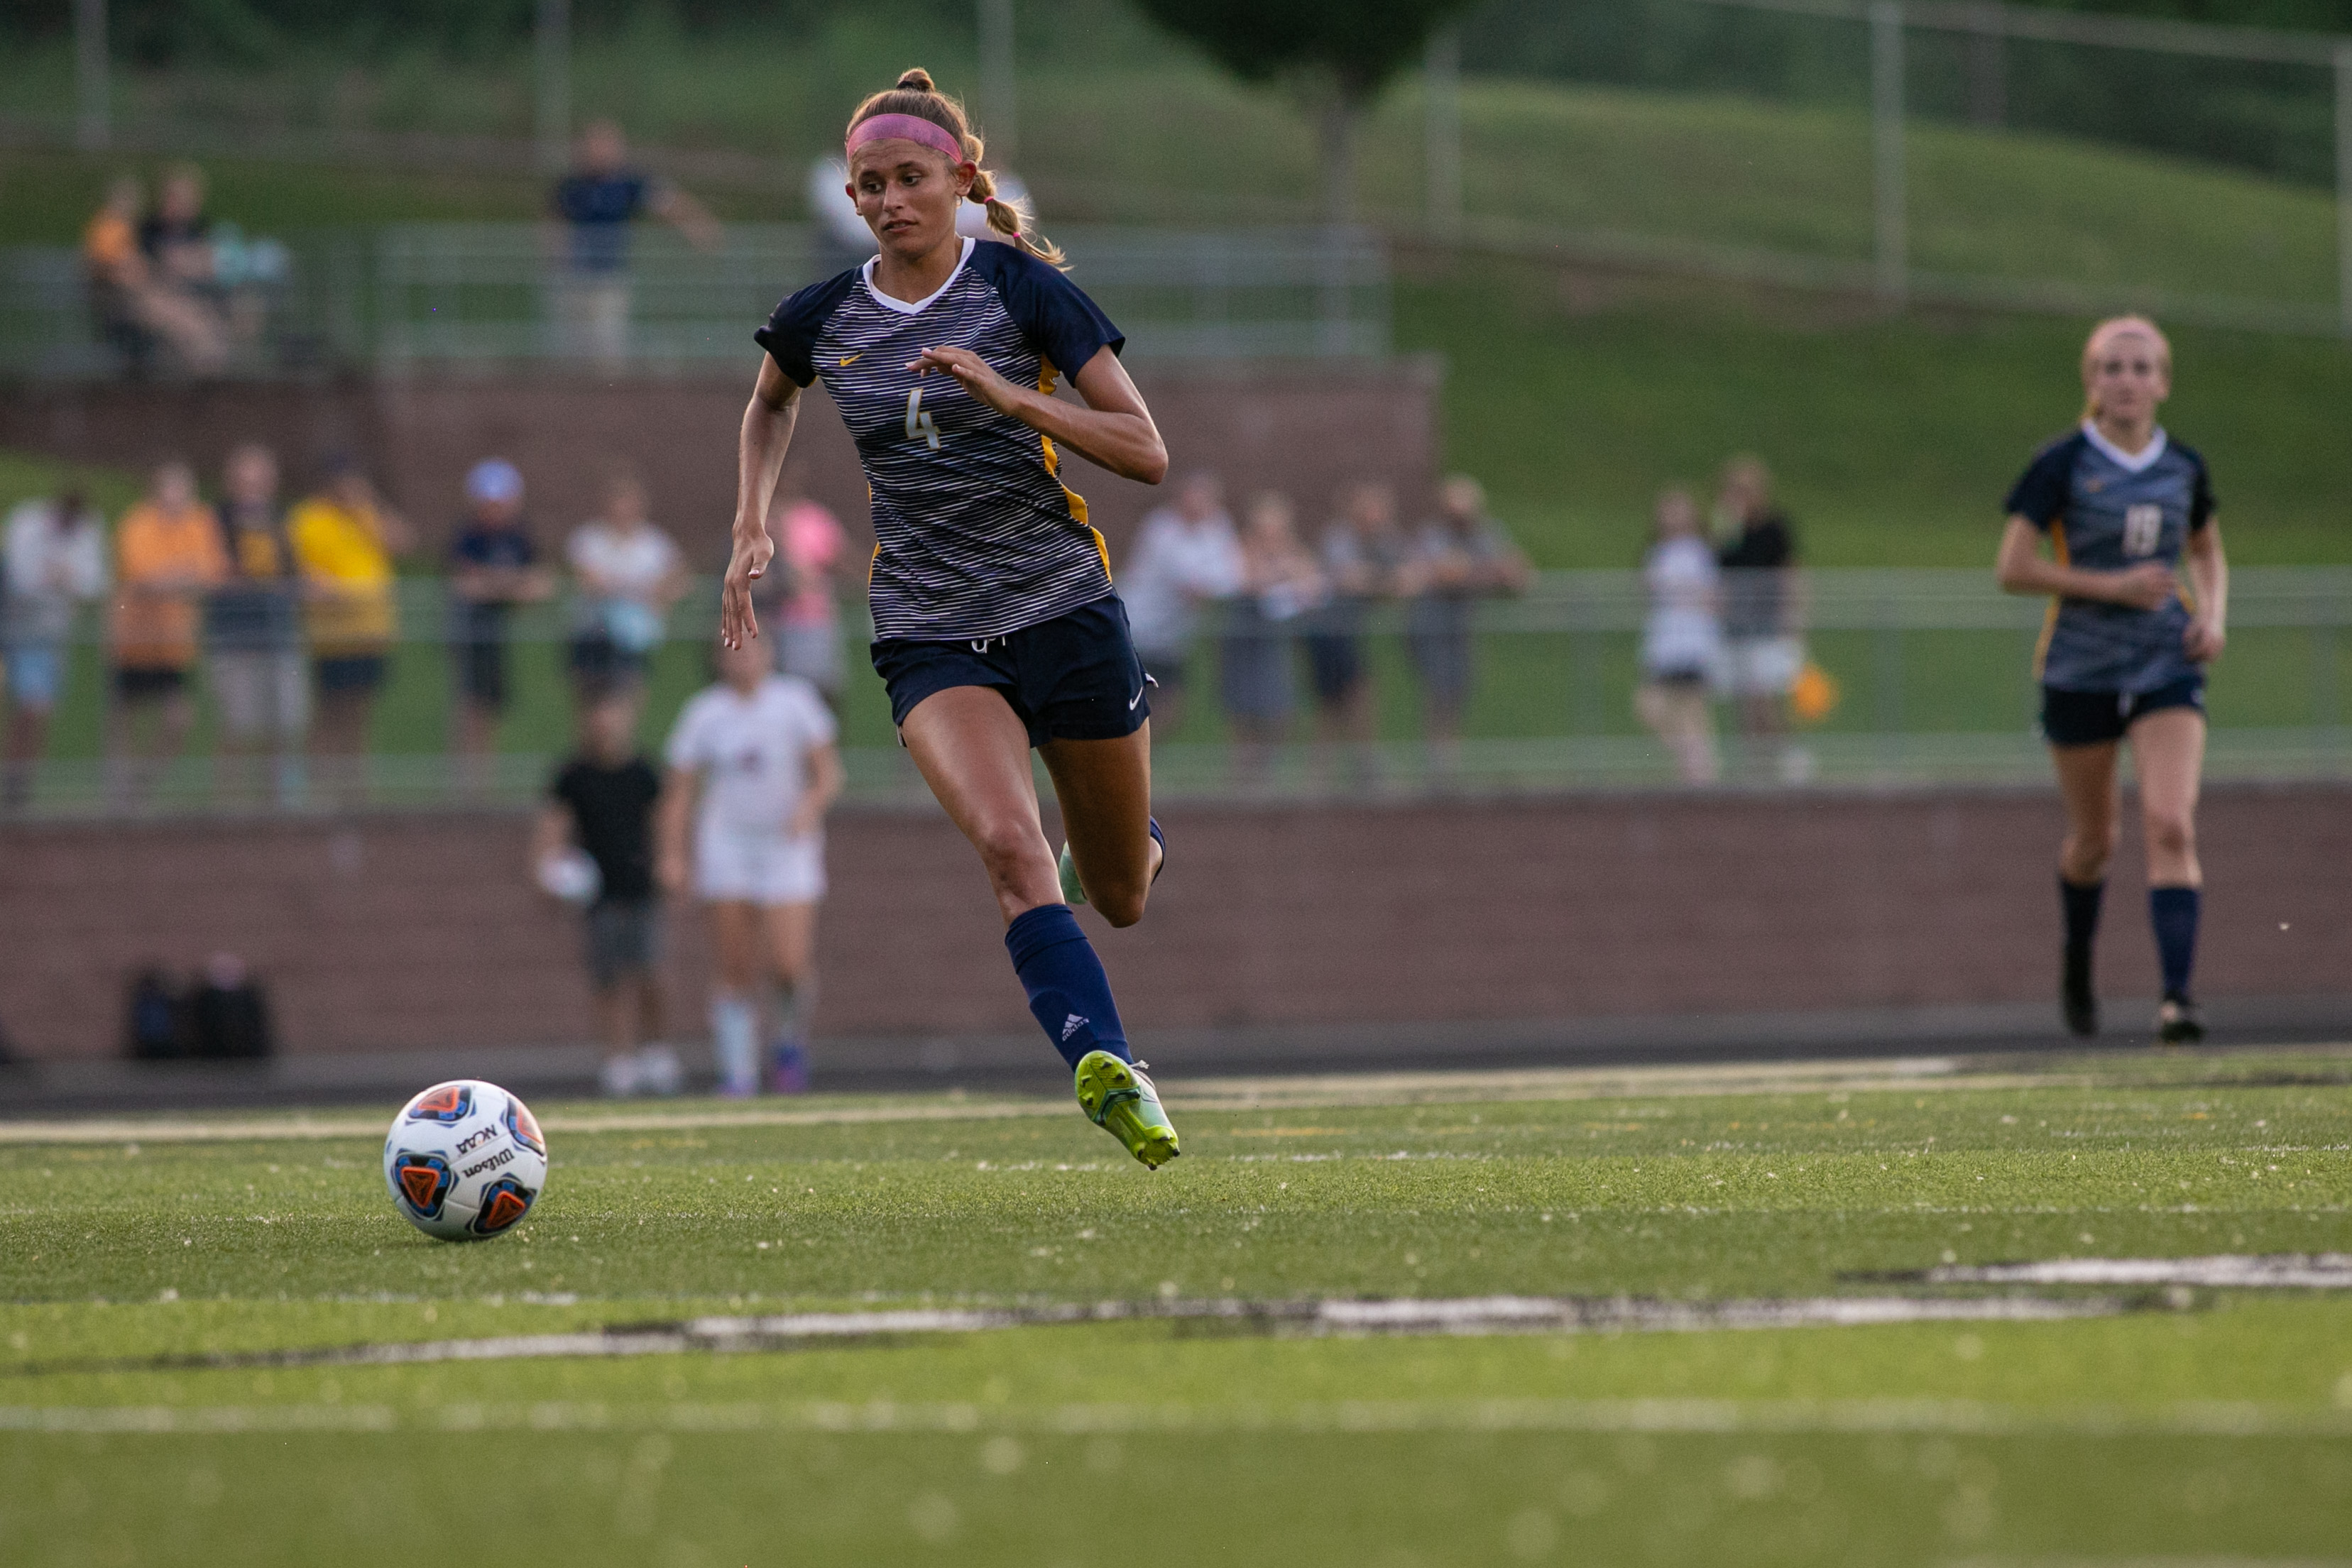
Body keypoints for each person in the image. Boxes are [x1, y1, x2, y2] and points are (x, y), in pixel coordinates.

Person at [720, 67, 1181, 1165]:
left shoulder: (1022, 292)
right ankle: (1108, 1063)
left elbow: (1148, 453)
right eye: (867, 185)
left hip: (1063, 609)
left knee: (1115, 894)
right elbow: (769, 400)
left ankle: (1137, 843)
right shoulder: (827, 314)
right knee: (1014, 850)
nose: (887, 201)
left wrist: (1013, 394)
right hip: (929, 626)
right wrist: (751, 524)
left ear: (962, 181)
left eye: (909, 179)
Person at [1996, 315, 2227, 1046]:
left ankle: (2176, 999)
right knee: (2094, 839)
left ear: (2161, 381)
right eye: (2110, 369)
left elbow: (2207, 551)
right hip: (2080, 669)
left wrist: (2212, 616)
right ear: (2091, 382)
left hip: (2164, 662)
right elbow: (2013, 567)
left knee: (2170, 821)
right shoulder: (2061, 462)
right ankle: (2077, 960)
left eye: (2139, 368)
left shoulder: (2183, 465)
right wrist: (2109, 586)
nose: (2125, 381)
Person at [657, 638, 843, 1097]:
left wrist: (808, 807)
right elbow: (679, 791)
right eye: (732, 649)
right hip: (727, 845)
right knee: (734, 964)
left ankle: (788, 1042)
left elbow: (828, 772)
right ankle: (737, 1073)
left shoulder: (795, 702)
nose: (742, 657)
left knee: (788, 964)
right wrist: (673, 853)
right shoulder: (704, 712)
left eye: (752, 647)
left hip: (786, 845)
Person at [538, 696, 679, 1097]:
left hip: (641, 886)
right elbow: (553, 823)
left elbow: (664, 818)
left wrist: (670, 862)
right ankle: (618, 1058)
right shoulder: (574, 774)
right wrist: (547, 871)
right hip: (598, 893)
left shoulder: (641, 771)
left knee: (651, 973)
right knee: (608, 978)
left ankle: (657, 1051)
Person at [549, 119, 723, 368]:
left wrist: (698, 227)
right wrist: (557, 260)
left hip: (610, 278)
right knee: (570, 353)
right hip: (574, 278)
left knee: (607, 350)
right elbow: (554, 222)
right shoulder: (572, 185)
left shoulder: (628, 183)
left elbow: (668, 202)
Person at [289, 455, 412, 803]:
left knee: (360, 713)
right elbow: (302, 569)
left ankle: (353, 788)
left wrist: (370, 504)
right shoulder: (309, 519)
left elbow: (402, 543)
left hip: (370, 631)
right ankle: (314, 787)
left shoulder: (367, 514)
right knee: (331, 712)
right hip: (332, 636)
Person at [108, 459, 228, 808]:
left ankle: (140, 786)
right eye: (170, 489)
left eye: (184, 489)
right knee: (123, 717)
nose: (178, 497)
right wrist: (180, 575)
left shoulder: (200, 522)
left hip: (174, 642)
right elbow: (141, 577)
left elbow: (211, 571)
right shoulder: (137, 524)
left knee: (179, 719)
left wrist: (175, 577)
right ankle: (117, 794)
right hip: (133, 639)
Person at [1400, 474, 1531, 778]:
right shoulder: (1433, 534)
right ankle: (1436, 765)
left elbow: (1517, 574)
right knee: (1439, 691)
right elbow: (1450, 574)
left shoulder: (1486, 533)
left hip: (1461, 627)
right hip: (1430, 626)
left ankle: (1449, 765)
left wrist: (1482, 572)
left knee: (1458, 691)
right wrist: (1488, 573)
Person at [205, 444, 307, 806]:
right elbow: (218, 572)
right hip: (234, 636)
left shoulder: (280, 521)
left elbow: (291, 573)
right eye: (245, 480)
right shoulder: (217, 520)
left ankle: (278, 801)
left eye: (259, 480)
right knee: (235, 724)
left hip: (277, 634)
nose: (253, 488)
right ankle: (228, 803)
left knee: (282, 726)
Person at [448, 459, 554, 784]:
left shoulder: (518, 537)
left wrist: (495, 586)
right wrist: (507, 586)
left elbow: (541, 584)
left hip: (495, 634)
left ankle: (484, 781)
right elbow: (464, 585)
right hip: (469, 633)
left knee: (491, 706)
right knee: (469, 705)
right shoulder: (467, 536)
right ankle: (468, 782)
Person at [3, 481, 107, 808]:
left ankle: (18, 786)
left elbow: (95, 583)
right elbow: (18, 578)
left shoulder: (88, 530)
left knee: (37, 709)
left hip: (48, 634)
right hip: (14, 627)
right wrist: (53, 579)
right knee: (24, 703)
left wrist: (67, 579)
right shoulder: (27, 523)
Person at [1118, 471, 1242, 736]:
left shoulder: (1218, 525)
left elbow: (1233, 575)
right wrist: (1213, 582)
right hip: (1139, 631)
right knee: (1137, 708)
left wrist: (1216, 583)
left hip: (1174, 638)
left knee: (1171, 710)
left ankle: (1148, 768)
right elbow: (1190, 584)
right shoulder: (1161, 530)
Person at [1218, 492, 1324, 789]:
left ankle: (1264, 774)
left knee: (1280, 710)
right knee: (1243, 712)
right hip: (1243, 641)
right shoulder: (1242, 548)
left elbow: (1312, 585)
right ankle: (1242, 779)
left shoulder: (1293, 551)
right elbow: (1245, 580)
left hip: (1273, 644)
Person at [1714, 454, 1807, 782]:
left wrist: (1793, 615)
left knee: (1765, 693)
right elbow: (1719, 565)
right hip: (1736, 623)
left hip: (1767, 621)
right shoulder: (1728, 527)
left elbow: (1788, 571)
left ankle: (1784, 755)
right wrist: (1729, 525)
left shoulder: (1775, 526)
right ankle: (1753, 762)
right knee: (1743, 696)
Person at [82, 174, 226, 374]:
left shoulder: (124, 229)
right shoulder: (108, 229)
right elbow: (115, 269)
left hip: (142, 294)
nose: (132, 205)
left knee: (188, 313)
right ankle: (207, 366)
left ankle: (209, 363)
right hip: (122, 301)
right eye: (126, 199)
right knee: (179, 316)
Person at [566, 471, 687, 707]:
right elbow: (589, 581)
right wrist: (640, 588)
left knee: (630, 694)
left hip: (635, 636)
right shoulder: (589, 540)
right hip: (593, 633)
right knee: (591, 700)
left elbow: (677, 581)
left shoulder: (655, 544)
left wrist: (658, 597)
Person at [1636, 487, 1723, 786]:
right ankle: (1695, 767)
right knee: (1654, 708)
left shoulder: (1698, 552)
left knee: (1691, 713)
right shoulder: (1658, 552)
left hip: (1690, 644)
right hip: (1665, 645)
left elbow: (1712, 596)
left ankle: (1700, 776)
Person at [758, 483, 855, 708]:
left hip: (813, 622)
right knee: (783, 695)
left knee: (822, 692)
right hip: (774, 625)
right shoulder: (764, 520)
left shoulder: (816, 518)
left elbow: (839, 562)